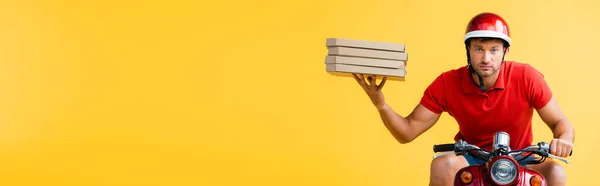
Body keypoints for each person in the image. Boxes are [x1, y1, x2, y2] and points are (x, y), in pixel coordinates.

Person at [352, 12, 575, 186]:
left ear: (505, 52)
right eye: (479, 49)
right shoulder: (447, 83)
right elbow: (407, 131)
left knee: (556, 171)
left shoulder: (527, 77)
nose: (486, 58)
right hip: (472, 157)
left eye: (494, 50)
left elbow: (560, 123)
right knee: (442, 166)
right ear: (468, 50)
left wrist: (563, 139)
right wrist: (380, 103)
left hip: (520, 157)